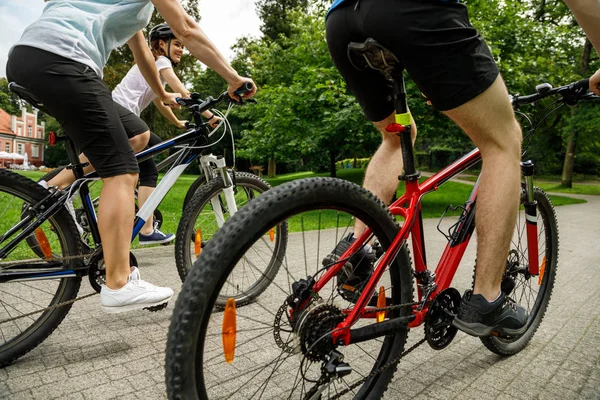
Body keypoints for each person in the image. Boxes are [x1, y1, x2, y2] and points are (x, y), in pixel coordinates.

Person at [6, 0, 255, 314]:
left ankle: (56, 193)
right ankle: (119, 282)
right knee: (123, 169)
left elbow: (140, 51)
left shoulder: (124, 10)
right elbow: (187, 29)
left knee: (136, 139)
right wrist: (233, 79)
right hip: (65, 59)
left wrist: (163, 95)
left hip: (28, 55)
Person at [325, 0, 527, 337]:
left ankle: (355, 248)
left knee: (396, 136)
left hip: (341, 19)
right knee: (503, 142)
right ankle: (486, 299)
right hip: (410, 10)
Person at [112, 22, 222, 245]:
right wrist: (210, 116)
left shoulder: (154, 66)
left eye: (183, 46)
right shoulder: (161, 61)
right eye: (178, 44)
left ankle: (141, 215)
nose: (182, 49)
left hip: (118, 112)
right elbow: (182, 91)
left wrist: (178, 121)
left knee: (153, 150)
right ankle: (145, 227)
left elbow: (161, 100)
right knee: (145, 168)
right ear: (162, 44)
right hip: (120, 114)